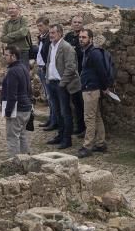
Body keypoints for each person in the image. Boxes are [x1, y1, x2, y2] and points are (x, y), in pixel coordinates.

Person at [76, 29, 112, 158]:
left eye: (84, 37)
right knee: (96, 117)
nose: (81, 39)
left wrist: (104, 87)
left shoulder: (94, 53)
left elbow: (101, 71)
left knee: (89, 118)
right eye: (80, 37)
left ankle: (87, 146)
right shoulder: (87, 52)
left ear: (90, 39)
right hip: (89, 88)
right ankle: (101, 143)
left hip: (91, 89)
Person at [46, 23, 80, 150]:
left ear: (60, 33)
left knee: (65, 112)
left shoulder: (67, 47)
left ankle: (67, 139)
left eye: (53, 33)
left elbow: (71, 67)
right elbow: (50, 62)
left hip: (62, 84)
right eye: (50, 33)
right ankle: (60, 135)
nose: (51, 35)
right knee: (57, 111)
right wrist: (47, 78)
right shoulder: (51, 46)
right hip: (52, 82)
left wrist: (62, 83)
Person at [1, 45, 33, 156]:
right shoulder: (23, 67)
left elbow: (12, 95)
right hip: (26, 107)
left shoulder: (13, 71)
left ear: (13, 56)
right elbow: (29, 89)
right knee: (22, 134)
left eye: (6, 55)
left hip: (18, 109)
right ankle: (26, 159)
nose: (4, 57)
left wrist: (8, 112)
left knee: (12, 137)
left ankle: (14, 163)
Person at [33, 16, 57, 130]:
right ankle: (51, 119)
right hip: (41, 68)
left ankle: (54, 121)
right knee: (48, 96)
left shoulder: (49, 38)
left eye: (41, 26)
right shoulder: (42, 37)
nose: (39, 28)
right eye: (37, 26)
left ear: (47, 25)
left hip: (46, 69)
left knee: (51, 96)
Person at [64, 15, 87, 136]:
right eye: (75, 22)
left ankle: (84, 127)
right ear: (71, 23)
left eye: (79, 22)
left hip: (81, 74)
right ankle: (77, 126)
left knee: (81, 103)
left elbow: (80, 53)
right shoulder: (68, 36)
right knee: (74, 102)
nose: (77, 24)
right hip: (70, 75)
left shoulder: (84, 36)